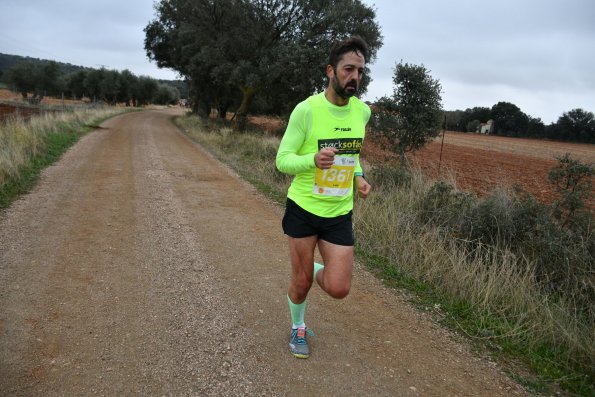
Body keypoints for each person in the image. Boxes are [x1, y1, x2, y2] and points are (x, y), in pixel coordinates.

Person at [276, 36, 372, 359]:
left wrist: (358, 178)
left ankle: (312, 266)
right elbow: (282, 159)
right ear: (330, 70)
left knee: (338, 287)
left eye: (360, 71)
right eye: (348, 69)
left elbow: (353, 154)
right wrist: (311, 161)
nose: (355, 77)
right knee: (301, 284)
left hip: (339, 212)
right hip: (303, 209)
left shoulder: (363, 113)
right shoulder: (307, 110)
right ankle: (298, 327)